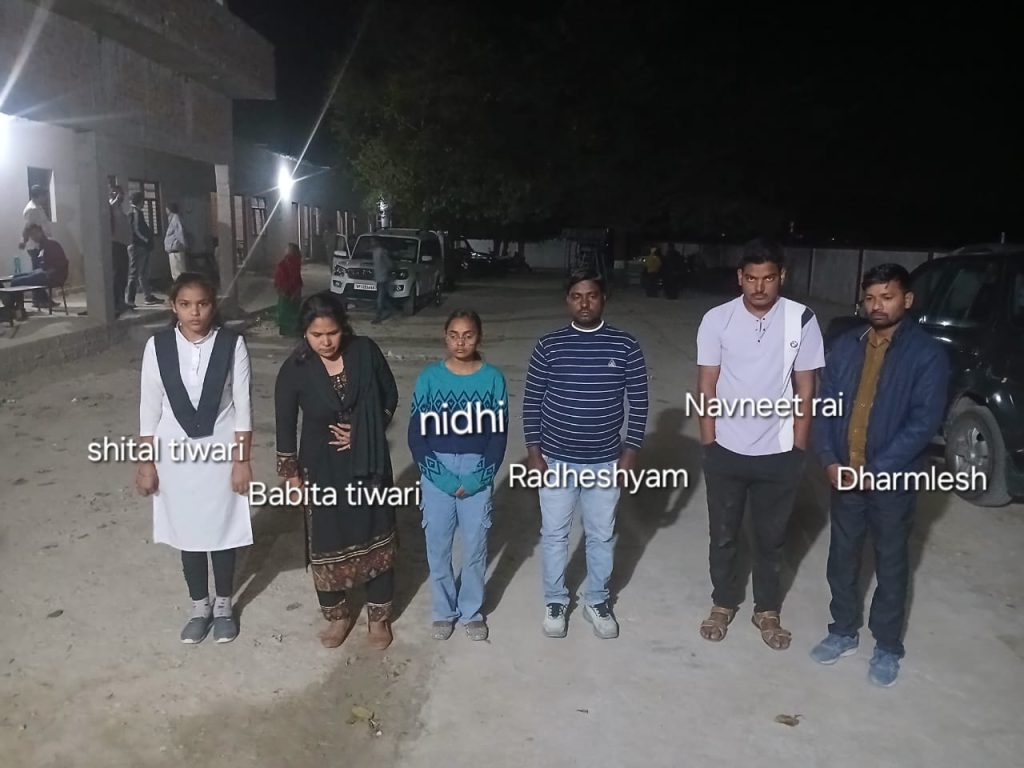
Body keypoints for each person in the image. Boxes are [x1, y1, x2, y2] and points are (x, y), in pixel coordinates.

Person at [810, 264, 949, 687]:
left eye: (887, 297)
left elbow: (923, 423)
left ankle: (887, 646)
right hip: (844, 475)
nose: (877, 306)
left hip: (891, 481)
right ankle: (842, 630)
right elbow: (825, 407)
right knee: (842, 557)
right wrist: (829, 460)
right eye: (870, 298)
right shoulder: (846, 346)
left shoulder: (926, 355)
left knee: (890, 563)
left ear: (907, 299)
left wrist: (878, 470)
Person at [695, 238, 824, 650]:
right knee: (723, 534)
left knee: (771, 537)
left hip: (780, 452)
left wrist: (798, 447)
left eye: (768, 278)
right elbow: (707, 383)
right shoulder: (717, 319)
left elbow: (807, 388)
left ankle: (766, 609)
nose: (759, 287)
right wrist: (709, 440)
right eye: (751, 278)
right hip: (725, 449)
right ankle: (723, 602)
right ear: (740, 278)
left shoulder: (802, 319)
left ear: (781, 276)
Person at [523, 269, 649, 639]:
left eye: (591, 295)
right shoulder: (549, 346)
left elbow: (639, 403)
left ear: (603, 299)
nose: (584, 303)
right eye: (577, 296)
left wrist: (630, 452)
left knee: (601, 535)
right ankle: (555, 600)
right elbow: (531, 402)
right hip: (555, 460)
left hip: (605, 461)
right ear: (567, 301)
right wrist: (534, 452)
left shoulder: (625, 346)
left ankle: (597, 600)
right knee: (554, 535)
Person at [275, 292, 400, 650]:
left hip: (369, 463)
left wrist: (365, 431)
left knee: (376, 532)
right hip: (321, 467)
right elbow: (285, 425)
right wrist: (292, 476)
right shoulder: (296, 368)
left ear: (343, 328)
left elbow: (389, 396)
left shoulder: (365, 352)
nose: (326, 342)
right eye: (317, 335)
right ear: (305, 333)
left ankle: (378, 617)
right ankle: (338, 615)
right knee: (326, 539)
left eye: (332, 333)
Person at [136, 272, 253, 644]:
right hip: (175, 454)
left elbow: (244, 408)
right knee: (187, 531)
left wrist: (242, 461)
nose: (195, 312)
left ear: (213, 305)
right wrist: (146, 463)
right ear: (174, 306)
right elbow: (149, 408)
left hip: (221, 450)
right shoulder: (158, 347)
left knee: (223, 529)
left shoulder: (232, 344)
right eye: (185, 304)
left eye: (202, 303)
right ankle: (199, 606)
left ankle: (224, 605)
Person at [409, 310, 508, 641]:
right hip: (437, 471)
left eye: (468, 335)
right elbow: (416, 436)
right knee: (437, 546)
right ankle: (443, 611)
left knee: (475, 546)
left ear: (479, 337)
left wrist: (479, 478)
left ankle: (471, 611)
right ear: (445, 336)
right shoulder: (429, 378)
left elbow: (498, 436)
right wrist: (443, 478)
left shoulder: (492, 379)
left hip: (477, 470)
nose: (460, 342)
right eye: (454, 335)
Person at [3, 224, 67, 312]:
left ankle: (13, 308)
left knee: (16, 282)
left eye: (36, 233)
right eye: (32, 235)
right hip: (43, 273)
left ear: (41, 232)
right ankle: (15, 307)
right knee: (16, 277)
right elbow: (42, 265)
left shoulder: (52, 244)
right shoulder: (41, 246)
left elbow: (60, 265)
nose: (34, 236)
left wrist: (45, 272)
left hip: (52, 276)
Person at [127, 191, 160, 307]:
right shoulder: (134, 212)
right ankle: (130, 300)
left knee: (143, 273)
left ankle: (148, 296)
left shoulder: (137, 212)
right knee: (135, 273)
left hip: (141, 246)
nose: (144, 203)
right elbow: (136, 229)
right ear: (139, 201)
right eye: (143, 201)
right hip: (138, 246)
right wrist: (146, 240)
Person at [109, 185, 131, 316]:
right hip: (115, 245)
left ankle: (121, 301)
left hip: (123, 245)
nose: (122, 196)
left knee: (123, 275)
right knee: (117, 275)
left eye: (122, 194)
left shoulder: (120, 209)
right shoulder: (111, 208)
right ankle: (116, 303)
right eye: (119, 193)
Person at [274, 244, 304, 336]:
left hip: (287, 292)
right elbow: (295, 278)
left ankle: (287, 330)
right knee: (291, 311)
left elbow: (295, 278)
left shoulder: (286, 263)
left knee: (286, 312)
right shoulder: (291, 263)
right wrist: (295, 291)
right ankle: (292, 330)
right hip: (289, 291)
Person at [20, 184, 50, 266]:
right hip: (36, 246)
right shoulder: (31, 209)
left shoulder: (38, 207)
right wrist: (23, 241)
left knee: (42, 269)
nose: (45, 198)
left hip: (40, 244)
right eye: (43, 195)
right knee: (39, 270)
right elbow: (28, 227)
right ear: (38, 196)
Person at [370, 236, 393, 324]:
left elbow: (388, 264)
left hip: (382, 277)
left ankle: (378, 316)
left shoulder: (379, 251)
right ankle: (390, 309)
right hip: (381, 277)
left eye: (373, 241)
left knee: (380, 297)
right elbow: (389, 264)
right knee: (382, 296)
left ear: (377, 242)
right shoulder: (379, 251)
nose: (371, 243)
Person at [164, 203, 188, 281]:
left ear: (170, 209)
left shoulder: (176, 219)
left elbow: (180, 233)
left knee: (178, 273)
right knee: (176, 273)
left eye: (166, 209)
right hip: (173, 250)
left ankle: (181, 287)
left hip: (176, 250)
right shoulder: (173, 219)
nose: (166, 210)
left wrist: (182, 245)